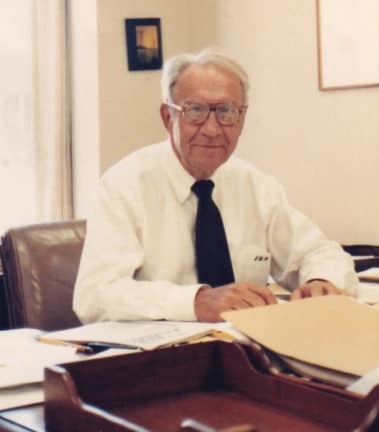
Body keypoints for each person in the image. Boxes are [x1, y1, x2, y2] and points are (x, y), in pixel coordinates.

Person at [73, 49, 357, 323]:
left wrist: (321, 280)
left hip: (246, 351)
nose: (211, 129)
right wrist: (195, 302)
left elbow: (318, 252)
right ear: (166, 116)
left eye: (226, 111)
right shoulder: (123, 187)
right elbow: (94, 295)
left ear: (242, 119)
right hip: (158, 360)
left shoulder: (256, 186)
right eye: (195, 111)